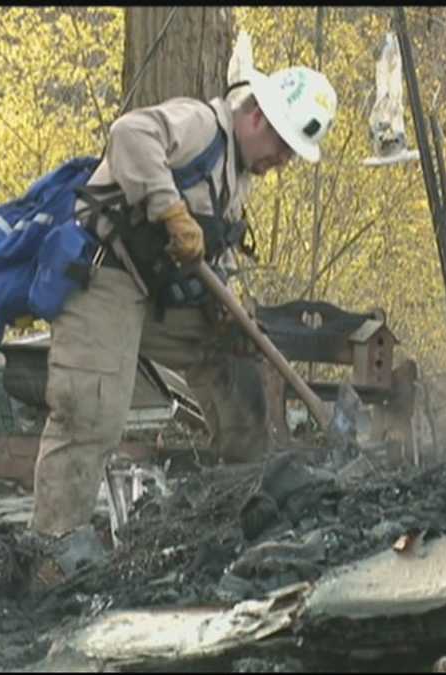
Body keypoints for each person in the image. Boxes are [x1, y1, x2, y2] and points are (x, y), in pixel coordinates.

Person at [30, 66, 339, 539]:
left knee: (235, 362)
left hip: (159, 297)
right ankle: (51, 546)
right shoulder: (200, 126)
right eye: (282, 147)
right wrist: (169, 208)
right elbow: (129, 133)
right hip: (105, 280)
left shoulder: (237, 178)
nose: (282, 161)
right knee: (92, 416)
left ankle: (242, 502)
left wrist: (228, 307)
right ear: (257, 116)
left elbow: (213, 250)